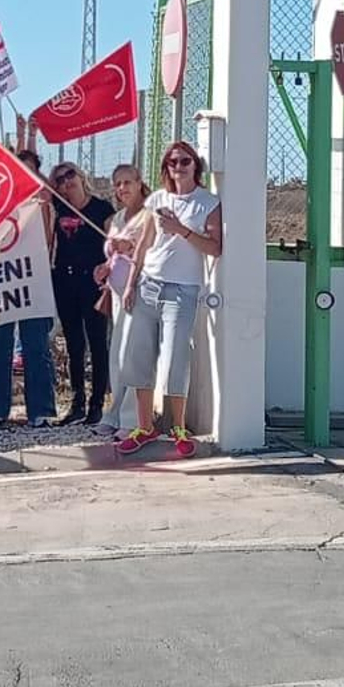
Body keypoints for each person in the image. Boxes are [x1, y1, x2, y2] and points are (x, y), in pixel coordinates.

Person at [118, 143, 223, 458]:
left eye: (184, 160)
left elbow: (215, 247)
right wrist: (130, 284)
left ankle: (178, 426)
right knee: (139, 357)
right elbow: (144, 243)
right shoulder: (158, 199)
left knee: (177, 357)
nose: (179, 166)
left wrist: (180, 230)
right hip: (149, 285)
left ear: (195, 165)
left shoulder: (208, 203)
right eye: (172, 161)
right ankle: (144, 425)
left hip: (183, 290)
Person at [0, 147, 56, 430]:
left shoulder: (41, 205)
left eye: (31, 171)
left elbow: (47, 243)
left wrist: (45, 207)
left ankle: (42, 409)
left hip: (32, 283)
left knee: (36, 346)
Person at [49, 162, 112, 424]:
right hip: (65, 279)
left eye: (70, 175)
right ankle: (77, 402)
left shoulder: (101, 207)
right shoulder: (58, 208)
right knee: (74, 343)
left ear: (80, 175)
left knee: (97, 341)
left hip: (92, 281)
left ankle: (97, 402)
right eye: (60, 179)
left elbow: (113, 242)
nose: (66, 182)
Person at [94, 163, 152, 435]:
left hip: (139, 292)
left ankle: (131, 419)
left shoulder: (149, 214)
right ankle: (115, 412)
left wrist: (129, 248)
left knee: (132, 355)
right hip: (117, 295)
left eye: (127, 182)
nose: (122, 188)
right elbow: (112, 255)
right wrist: (105, 268)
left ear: (140, 182)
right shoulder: (117, 219)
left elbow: (150, 251)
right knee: (116, 354)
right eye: (118, 183)